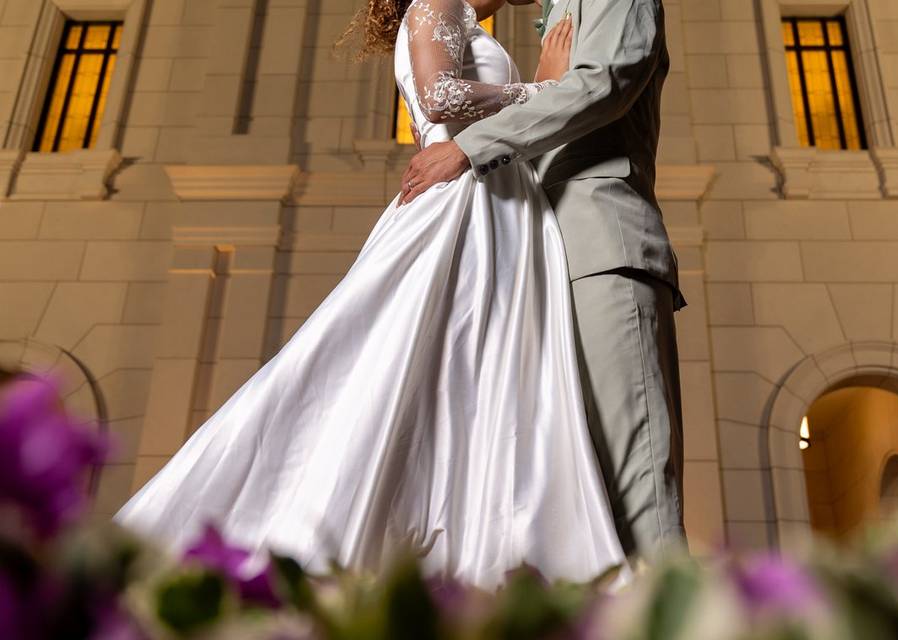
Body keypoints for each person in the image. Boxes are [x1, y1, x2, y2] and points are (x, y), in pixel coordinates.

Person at [115, 0, 629, 590]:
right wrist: (545, 88)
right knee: (392, 369)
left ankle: (472, 551)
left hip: (504, 205)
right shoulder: (434, 3)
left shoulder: (461, 17)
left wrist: (539, 92)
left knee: (473, 381)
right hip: (468, 206)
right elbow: (441, 99)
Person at [399, 0, 687, 557]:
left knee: (634, 486)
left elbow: (603, 82)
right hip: (538, 261)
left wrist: (468, 147)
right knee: (574, 503)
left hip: (602, 248)